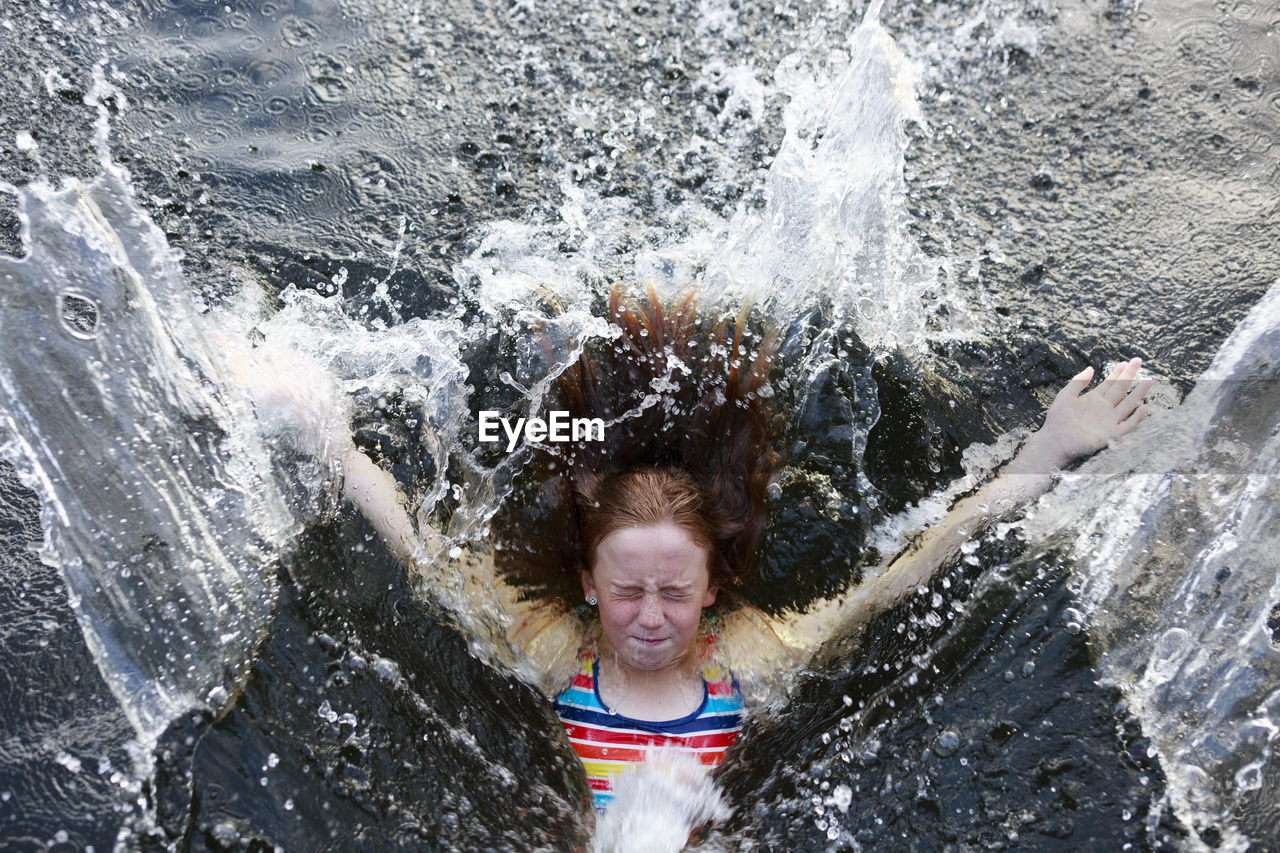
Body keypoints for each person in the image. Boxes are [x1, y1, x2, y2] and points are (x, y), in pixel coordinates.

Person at [223, 285, 1152, 815]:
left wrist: (1047, 452)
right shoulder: (557, 654)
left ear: (712, 588)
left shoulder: (752, 663)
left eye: (675, 590)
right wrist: (325, 437)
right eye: (628, 592)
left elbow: (912, 571)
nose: (651, 617)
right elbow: (426, 560)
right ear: (589, 581)